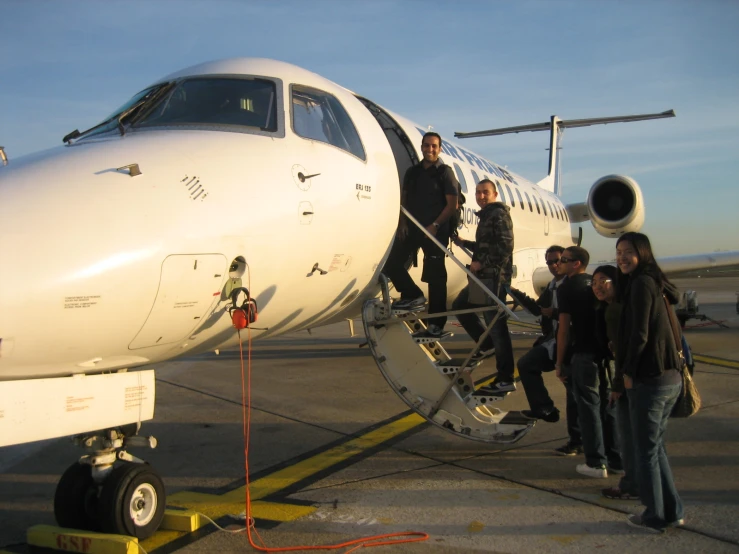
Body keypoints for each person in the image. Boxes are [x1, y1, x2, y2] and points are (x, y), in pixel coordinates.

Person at [616, 232, 684, 533]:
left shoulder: (642, 284)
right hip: (670, 377)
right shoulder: (656, 281)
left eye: (628, 251)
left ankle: (654, 516)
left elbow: (639, 335)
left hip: (651, 378)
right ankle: (672, 510)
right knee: (656, 449)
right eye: (618, 252)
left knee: (646, 451)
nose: (621, 257)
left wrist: (626, 373)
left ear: (642, 253)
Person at [383, 132, 459, 338]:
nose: (430, 149)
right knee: (392, 263)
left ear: (439, 148)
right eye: (427, 146)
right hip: (414, 227)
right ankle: (412, 294)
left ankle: (436, 324)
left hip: (435, 231)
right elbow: (405, 200)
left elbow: (452, 205)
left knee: (436, 279)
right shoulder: (412, 172)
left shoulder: (445, 173)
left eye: (434, 146)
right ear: (422, 147)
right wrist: (403, 224)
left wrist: (435, 225)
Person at [555, 246, 620, 478]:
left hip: (583, 355)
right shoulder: (598, 289)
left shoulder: (566, 289)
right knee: (608, 408)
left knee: (588, 409)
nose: (557, 264)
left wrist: (559, 361)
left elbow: (563, 330)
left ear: (576, 263)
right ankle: (616, 459)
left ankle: (595, 462)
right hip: (606, 357)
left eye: (563, 260)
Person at [452, 179, 516, 393]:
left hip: (495, 279)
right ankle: (486, 344)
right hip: (483, 277)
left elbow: (505, 246)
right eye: (478, 192)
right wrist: (464, 243)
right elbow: (485, 246)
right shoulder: (487, 215)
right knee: (461, 305)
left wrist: (482, 263)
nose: (481, 196)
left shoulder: (499, 215)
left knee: (497, 327)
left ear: (495, 194)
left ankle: (506, 378)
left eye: (485, 192)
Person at [592, 265, 639, 501]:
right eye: (594, 283)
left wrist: (618, 386)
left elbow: (624, 351)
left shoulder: (614, 311)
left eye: (604, 281)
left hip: (630, 380)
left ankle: (632, 484)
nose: (598, 286)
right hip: (634, 377)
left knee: (630, 434)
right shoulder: (615, 307)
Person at [510, 246, 567, 423]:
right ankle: (543, 408)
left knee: (576, 393)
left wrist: (555, 313)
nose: (553, 265)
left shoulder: (573, 284)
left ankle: (579, 439)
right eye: (549, 262)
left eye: (557, 261)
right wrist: (512, 291)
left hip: (572, 344)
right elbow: (538, 309)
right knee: (526, 364)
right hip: (554, 341)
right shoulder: (552, 285)